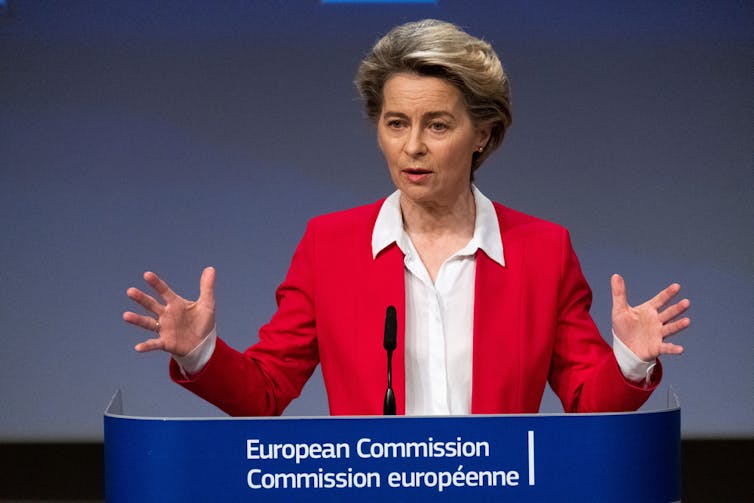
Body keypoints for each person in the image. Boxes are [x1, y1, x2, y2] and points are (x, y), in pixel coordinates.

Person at [123, 19, 690, 416]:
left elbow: (588, 401)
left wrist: (631, 363)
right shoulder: (331, 246)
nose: (412, 147)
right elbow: (266, 392)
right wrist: (201, 351)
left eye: (437, 125)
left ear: (483, 135)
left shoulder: (542, 249)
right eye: (396, 123)